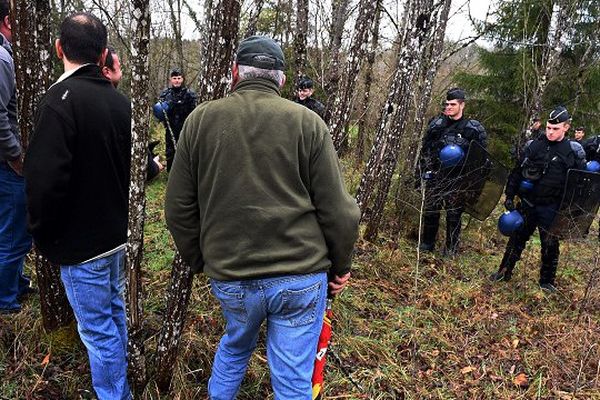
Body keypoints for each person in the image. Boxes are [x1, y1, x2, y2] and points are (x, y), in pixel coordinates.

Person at [165, 35, 360, 400]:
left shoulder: (200, 120)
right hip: (300, 276)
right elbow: (340, 211)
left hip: (232, 275)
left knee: (235, 348)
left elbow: (177, 209)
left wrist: (203, 260)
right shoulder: (308, 122)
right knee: (291, 379)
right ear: (281, 80)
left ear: (235, 72)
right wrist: (340, 266)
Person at [24, 12, 131, 399]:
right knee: (113, 315)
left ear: (58, 49)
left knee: (98, 330)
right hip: (114, 236)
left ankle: (115, 394)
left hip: (82, 246)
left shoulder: (58, 102)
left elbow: (44, 181)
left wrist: (42, 232)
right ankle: (122, 387)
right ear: (103, 54)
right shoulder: (119, 103)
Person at [490, 106, 586, 292]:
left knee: (550, 245)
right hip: (527, 203)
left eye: (555, 129)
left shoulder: (572, 153)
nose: (550, 132)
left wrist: (571, 211)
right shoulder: (534, 146)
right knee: (516, 239)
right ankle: (504, 271)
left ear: (566, 127)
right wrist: (509, 196)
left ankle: (546, 282)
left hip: (552, 207)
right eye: (548, 127)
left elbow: (580, 185)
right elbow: (517, 171)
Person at [417, 88, 487, 255]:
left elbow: (481, 160)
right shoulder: (436, 125)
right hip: (437, 176)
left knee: (454, 215)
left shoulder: (473, 129)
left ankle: (451, 249)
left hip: (459, 179)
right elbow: (425, 150)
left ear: (462, 105)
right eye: (447, 104)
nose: (448, 107)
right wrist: (421, 174)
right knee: (431, 210)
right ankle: (427, 244)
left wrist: (472, 185)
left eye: (452, 104)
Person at [0, 0, 34, 314]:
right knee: (12, 235)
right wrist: (14, 155)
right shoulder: (1, 58)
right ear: (9, 20)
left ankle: (17, 284)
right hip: (6, 164)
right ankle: (6, 302)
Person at [102, 46, 163, 182]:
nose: (122, 71)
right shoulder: (122, 106)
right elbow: (144, 168)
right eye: (119, 67)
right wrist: (155, 166)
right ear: (107, 71)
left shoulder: (72, 99)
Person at [157, 67, 197, 171]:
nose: (177, 80)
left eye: (179, 78)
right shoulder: (165, 94)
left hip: (185, 128)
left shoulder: (189, 94)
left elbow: (195, 112)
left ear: (182, 79)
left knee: (185, 150)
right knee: (170, 151)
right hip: (170, 128)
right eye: (174, 78)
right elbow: (159, 111)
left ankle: (185, 172)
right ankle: (171, 172)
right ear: (170, 79)